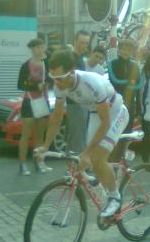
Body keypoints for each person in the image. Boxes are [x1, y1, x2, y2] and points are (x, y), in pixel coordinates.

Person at [35, 50, 129, 218]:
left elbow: (106, 122)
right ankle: (99, 182)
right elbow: (56, 119)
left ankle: (115, 197)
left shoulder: (92, 83)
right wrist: (45, 146)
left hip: (115, 113)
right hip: (95, 114)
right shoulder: (59, 86)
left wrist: (87, 152)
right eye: (53, 77)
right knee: (89, 159)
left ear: (71, 72)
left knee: (97, 157)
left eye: (59, 78)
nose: (56, 82)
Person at [17, 38, 52, 175]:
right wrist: (35, 86)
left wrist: (47, 84)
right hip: (29, 101)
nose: (39, 50)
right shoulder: (26, 65)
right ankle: (23, 163)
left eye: (41, 47)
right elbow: (20, 84)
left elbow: (52, 78)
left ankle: (39, 162)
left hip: (44, 100)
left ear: (44, 48)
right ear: (31, 49)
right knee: (26, 134)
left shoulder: (47, 63)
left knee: (40, 135)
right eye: (36, 47)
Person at [65, 30, 91, 154]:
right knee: (78, 136)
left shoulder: (80, 58)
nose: (84, 45)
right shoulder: (70, 58)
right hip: (75, 102)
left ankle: (72, 168)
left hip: (81, 101)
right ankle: (78, 168)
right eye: (81, 42)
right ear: (75, 41)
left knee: (77, 135)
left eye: (86, 43)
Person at [108, 39, 141, 132]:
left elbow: (139, 86)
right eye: (124, 49)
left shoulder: (135, 65)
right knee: (115, 131)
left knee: (128, 131)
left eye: (129, 50)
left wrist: (139, 106)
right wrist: (129, 82)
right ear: (119, 50)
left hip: (130, 104)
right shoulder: (112, 63)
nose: (126, 52)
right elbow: (114, 81)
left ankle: (125, 147)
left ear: (132, 51)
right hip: (116, 103)